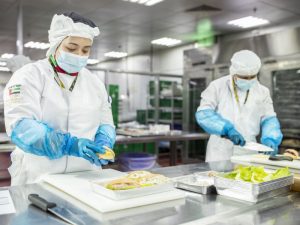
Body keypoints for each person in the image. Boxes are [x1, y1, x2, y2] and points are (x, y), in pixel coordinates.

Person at [4, 12, 116, 185]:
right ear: (56, 44)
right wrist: (69, 145)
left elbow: (106, 123)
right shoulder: (30, 75)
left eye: (86, 50)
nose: (79, 54)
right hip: (39, 176)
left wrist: (104, 142)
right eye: (71, 48)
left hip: (86, 176)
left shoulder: (94, 83)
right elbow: (22, 128)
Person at [195, 50, 283, 162]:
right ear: (233, 73)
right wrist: (227, 130)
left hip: (250, 149)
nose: (249, 80)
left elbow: (269, 118)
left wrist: (271, 138)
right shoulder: (217, 86)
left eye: (252, 77)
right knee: (217, 178)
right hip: (220, 150)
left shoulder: (262, 91)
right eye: (244, 77)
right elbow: (204, 114)